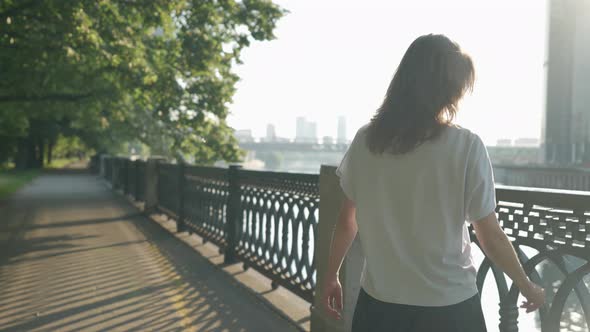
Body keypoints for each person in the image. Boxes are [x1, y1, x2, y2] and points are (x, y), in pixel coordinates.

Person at [322, 34, 545, 331]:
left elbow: (347, 220)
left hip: (379, 306)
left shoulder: (366, 141)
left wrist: (330, 275)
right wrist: (526, 285)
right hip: (449, 309)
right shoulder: (466, 146)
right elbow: (488, 234)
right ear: (449, 89)